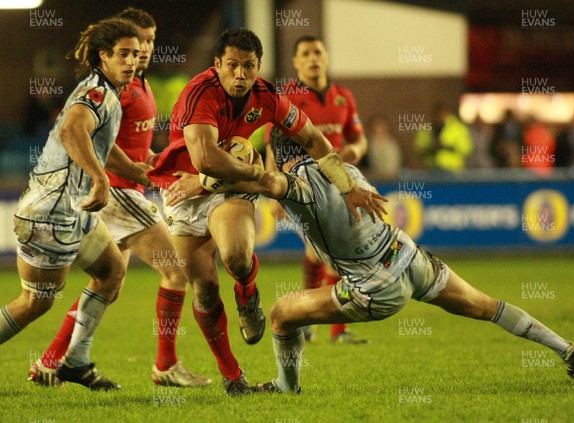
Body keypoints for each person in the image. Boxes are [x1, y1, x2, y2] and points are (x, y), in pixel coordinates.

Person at [230, 131, 574, 393]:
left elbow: (271, 184)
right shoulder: (345, 171)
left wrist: (216, 177)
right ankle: (566, 349)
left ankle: (285, 386)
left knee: (280, 313)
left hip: (374, 286)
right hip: (409, 257)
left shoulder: (297, 182)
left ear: (279, 153)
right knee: (486, 306)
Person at [147, 27, 382, 396]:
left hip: (230, 187)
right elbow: (205, 159)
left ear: (258, 66)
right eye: (232, 66)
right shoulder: (199, 93)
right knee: (205, 289)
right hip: (183, 189)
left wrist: (347, 186)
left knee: (237, 257)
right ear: (217, 64)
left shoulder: (268, 96)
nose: (240, 75)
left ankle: (247, 292)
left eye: (249, 67)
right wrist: (259, 174)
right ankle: (232, 376)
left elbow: (314, 140)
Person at [28, 8, 211, 389]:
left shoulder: (139, 85)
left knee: (107, 283)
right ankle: (166, 365)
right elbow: (91, 137)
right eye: (136, 43)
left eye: (150, 40)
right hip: (115, 192)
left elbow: (130, 148)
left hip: (122, 190)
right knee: (175, 271)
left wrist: (159, 164)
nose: (143, 49)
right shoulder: (113, 89)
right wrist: (143, 174)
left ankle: (51, 362)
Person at [1, 18, 149, 390]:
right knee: (35, 302)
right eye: (123, 54)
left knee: (112, 271)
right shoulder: (97, 93)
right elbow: (71, 129)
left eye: (135, 53)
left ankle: (75, 362)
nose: (132, 61)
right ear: (103, 55)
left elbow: (99, 142)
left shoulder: (108, 92)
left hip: (75, 210)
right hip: (49, 213)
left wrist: (134, 169)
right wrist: (100, 179)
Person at [266, 35, 369, 343]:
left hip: (340, 182)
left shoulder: (343, 97)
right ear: (296, 62)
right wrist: (274, 189)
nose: (313, 58)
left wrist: (354, 153)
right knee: (328, 251)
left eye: (318, 52)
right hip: (303, 185)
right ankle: (324, 324)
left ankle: (317, 323)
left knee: (323, 253)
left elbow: (359, 139)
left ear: (326, 57)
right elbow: (273, 145)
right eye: (306, 54)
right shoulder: (287, 98)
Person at [415, 102, 472, 171]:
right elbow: (419, 148)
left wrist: (445, 146)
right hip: (431, 168)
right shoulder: (426, 128)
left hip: (453, 169)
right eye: (437, 114)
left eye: (442, 113)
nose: (440, 116)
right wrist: (431, 147)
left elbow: (466, 149)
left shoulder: (457, 128)